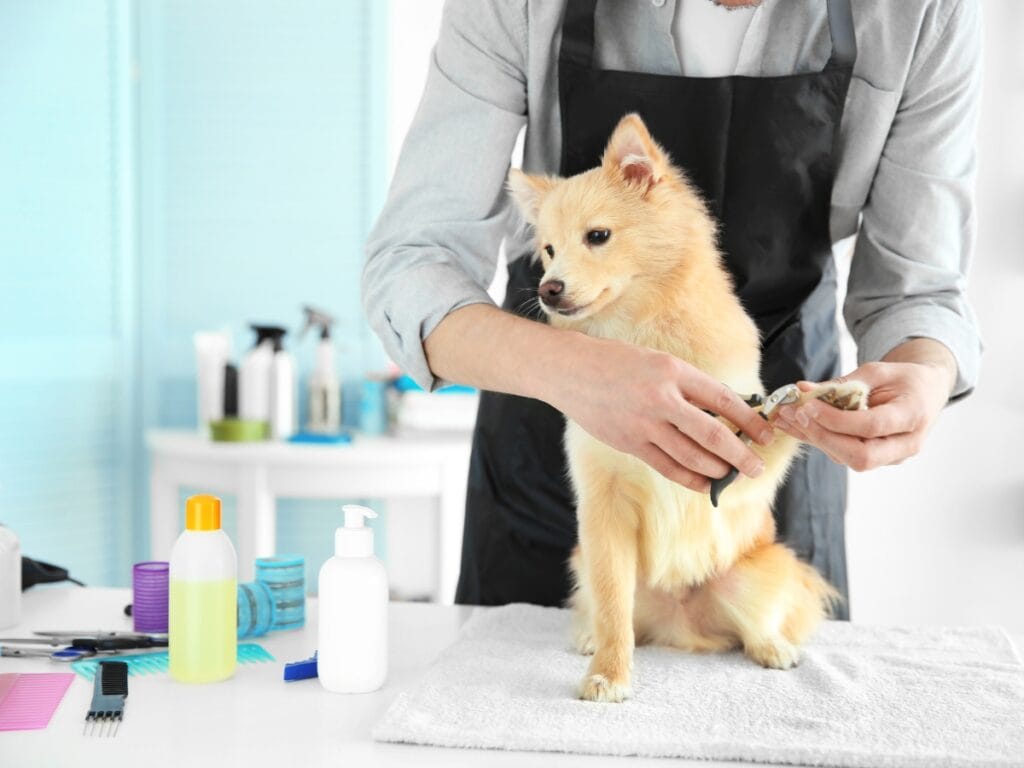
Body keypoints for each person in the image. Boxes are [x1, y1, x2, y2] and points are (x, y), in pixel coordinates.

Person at [362, 0, 982, 620]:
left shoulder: (925, 12)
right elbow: (415, 265)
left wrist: (924, 374)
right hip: (551, 443)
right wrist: (576, 368)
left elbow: (917, 291)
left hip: (766, 452)